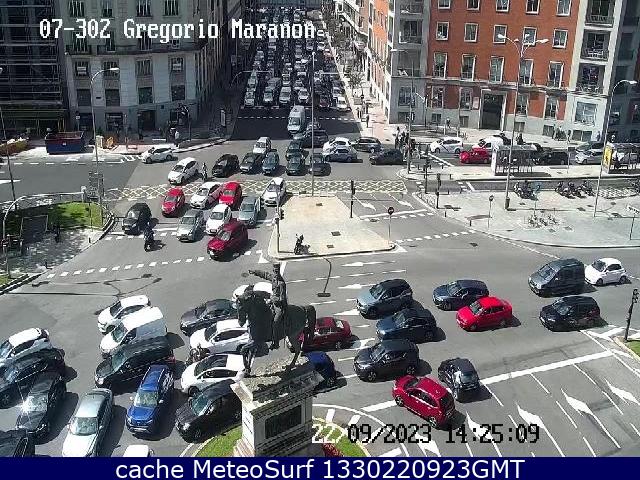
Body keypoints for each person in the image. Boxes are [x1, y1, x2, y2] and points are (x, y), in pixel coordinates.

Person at [248, 264, 288, 350]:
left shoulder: (281, 283)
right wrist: (255, 272)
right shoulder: (273, 278)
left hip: (279, 307)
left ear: (279, 271)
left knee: (275, 323)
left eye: (277, 271)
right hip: (273, 302)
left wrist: (271, 298)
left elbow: (282, 298)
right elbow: (265, 274)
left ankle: (276, 342)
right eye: (275, 271)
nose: (276, 273)